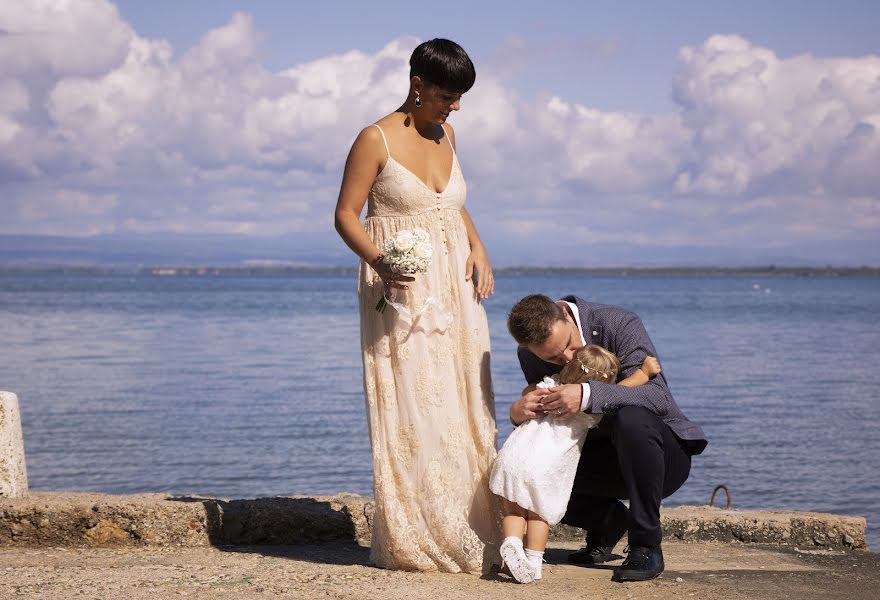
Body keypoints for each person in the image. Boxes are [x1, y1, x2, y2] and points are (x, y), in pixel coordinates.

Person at [334, 39, 499, 573]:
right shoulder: (373, 138)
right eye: (447, 96)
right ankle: (418, 533)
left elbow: (450, 205)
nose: (455, 107)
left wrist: (478, 245)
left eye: (460, 97)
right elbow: (345, 216)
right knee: (416, 407)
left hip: (456, 289)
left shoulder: (448, 133)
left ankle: (474, 526)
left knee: (464, 402)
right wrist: (381, 264)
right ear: (418, 85)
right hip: (401, 291)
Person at [507, 294, 708, 582]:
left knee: (632, 417)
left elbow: (658, 397)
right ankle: (607, 522)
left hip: (659, 457)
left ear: (565, 314)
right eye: (552, 358)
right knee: (519, 470)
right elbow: (543, 427)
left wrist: (587, 395)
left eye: (568, 345)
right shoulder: (529, 354)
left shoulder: (618, 322)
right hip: (596, 458)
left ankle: (645, 544)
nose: (567, 358)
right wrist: (517, 413)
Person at [491, 345, 661, 583]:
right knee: (538, 515)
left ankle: (512, 545)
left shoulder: (549, 386)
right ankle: (533, 563)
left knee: (514, 511)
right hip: (541, 468)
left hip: (512, 458)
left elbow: (528, 389)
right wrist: (643, 373)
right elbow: (621, 390)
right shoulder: (585, 410)